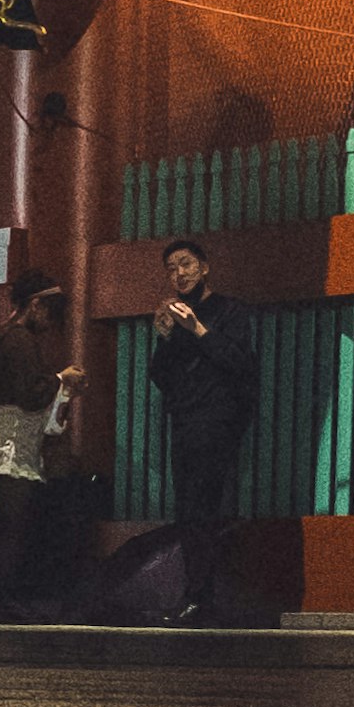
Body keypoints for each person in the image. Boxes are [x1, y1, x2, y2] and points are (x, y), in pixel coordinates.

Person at [150, 239, 260, 625]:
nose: (178, 274)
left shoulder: (229, 310)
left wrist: (195, 328)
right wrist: (165, 338)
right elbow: (160, 376)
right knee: (187, 510)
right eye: (170, 268)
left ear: (205, 267)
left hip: (217, 423)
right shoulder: (175, 315)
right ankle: (195, 595)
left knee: (205, 507)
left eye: (185, 264)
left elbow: (239, 362)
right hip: (184, 421)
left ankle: (203, 597)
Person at [0, 284, 79, 616]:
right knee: (17, 515)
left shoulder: (4, 336)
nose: (49, 322)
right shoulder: (19, 339)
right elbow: (31, 392)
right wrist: (63, 378)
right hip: (16, 435)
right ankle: (6, 592)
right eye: (48, 312)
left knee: (9, 511)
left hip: (7, 431)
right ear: (35, 305)